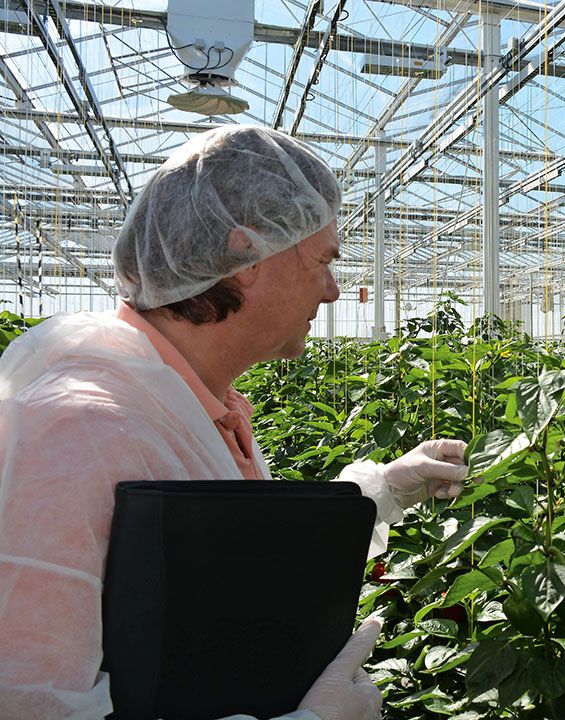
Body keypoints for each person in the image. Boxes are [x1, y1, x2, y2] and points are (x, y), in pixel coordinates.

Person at [0, 125, 466, 720]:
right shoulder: (76, 427)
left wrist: (380, 490)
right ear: (246, 255)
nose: (333, 289)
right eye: (324, 259)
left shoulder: (188, 407)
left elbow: (217, 560)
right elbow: (28, 701)